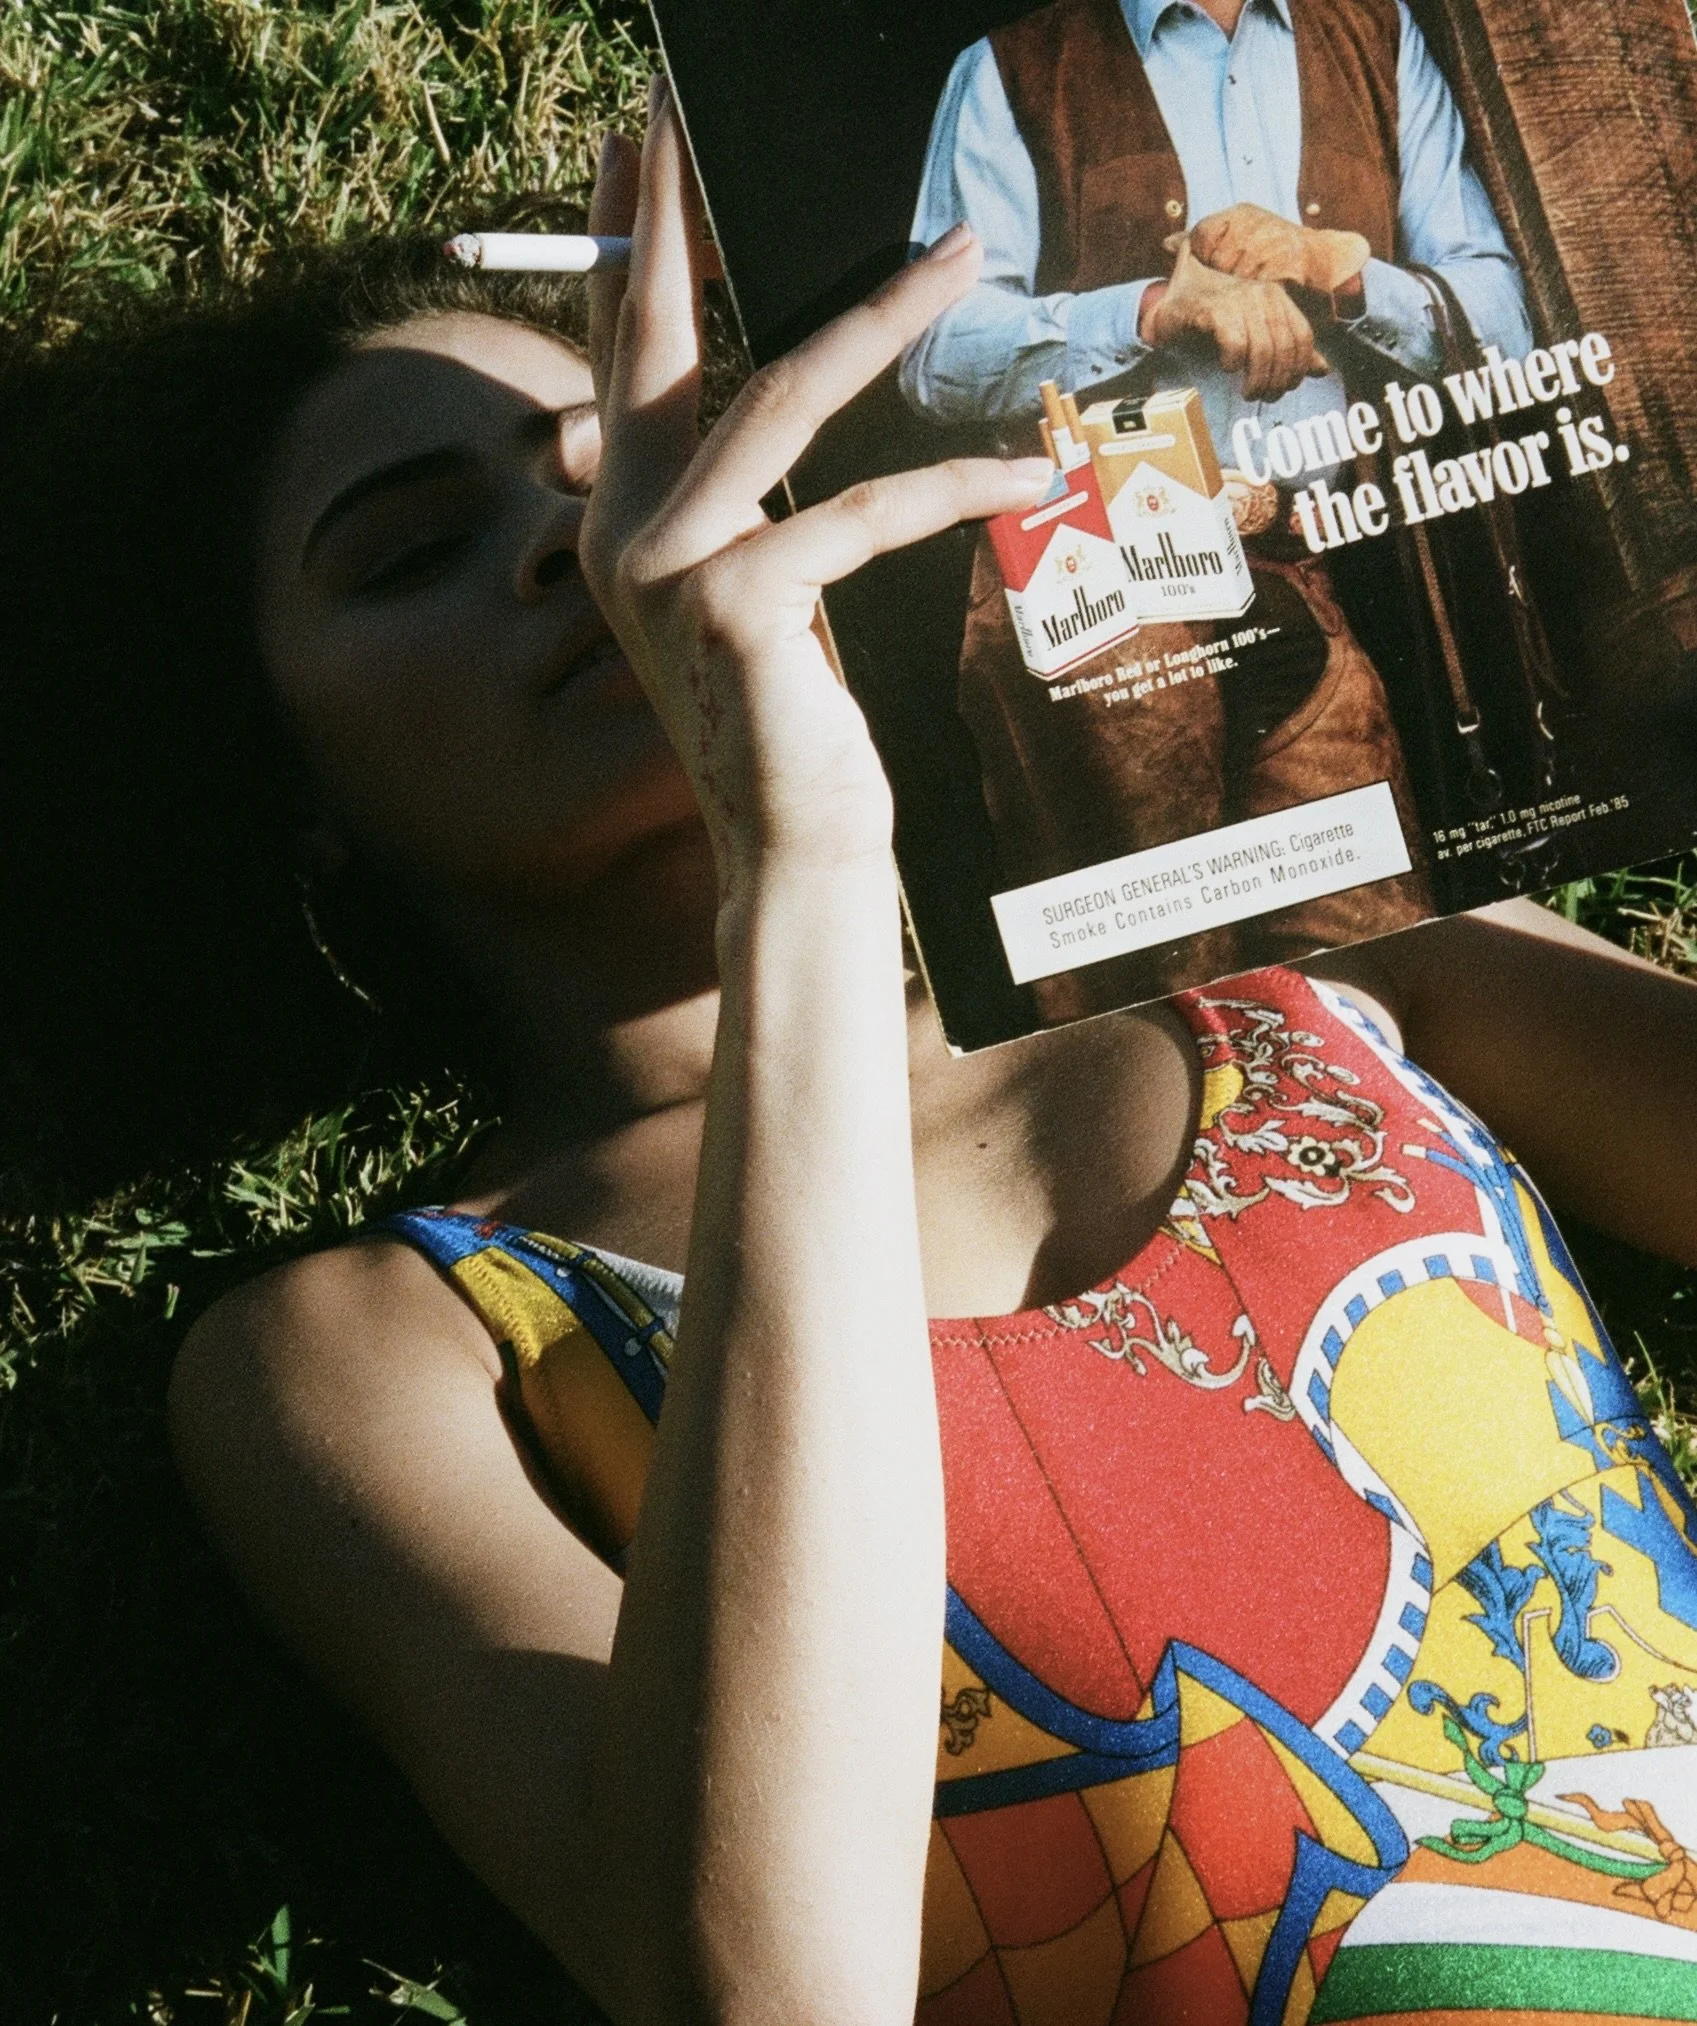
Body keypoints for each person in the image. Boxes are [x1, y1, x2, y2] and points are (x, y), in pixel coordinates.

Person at [12, 79, 1697, 2026]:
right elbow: (765, 1985)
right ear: (284, 786)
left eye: (627, 474)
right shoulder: (374, 1348)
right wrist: (794, 855)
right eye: (410, 553)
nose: (586, 547)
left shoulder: (1263, 933)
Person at [896, 0, 1539, 1013]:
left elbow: (1503, 324)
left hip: (1300, 569)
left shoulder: (1373, 34)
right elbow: (931, 351)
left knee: (1367, 971)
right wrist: (1152, 311)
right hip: (1099, 583)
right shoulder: (1010, 66)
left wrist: (1340, 271)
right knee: (1149, 998)